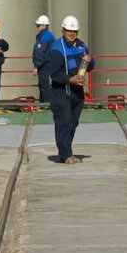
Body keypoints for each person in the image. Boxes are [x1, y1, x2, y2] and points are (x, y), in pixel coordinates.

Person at [36, 16, 87, 164]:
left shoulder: (81, 46)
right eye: (69, 31)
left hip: (77, 92)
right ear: (63, 30)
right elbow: (54, 73)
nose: (72, 34)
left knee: (73, 123)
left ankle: (65, 151)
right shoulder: (56, 48)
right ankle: (66, 154)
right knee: (63, 122)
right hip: (61, 91)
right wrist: (70, 79)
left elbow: (89, 65)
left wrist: (89, 62)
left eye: (75, 31)